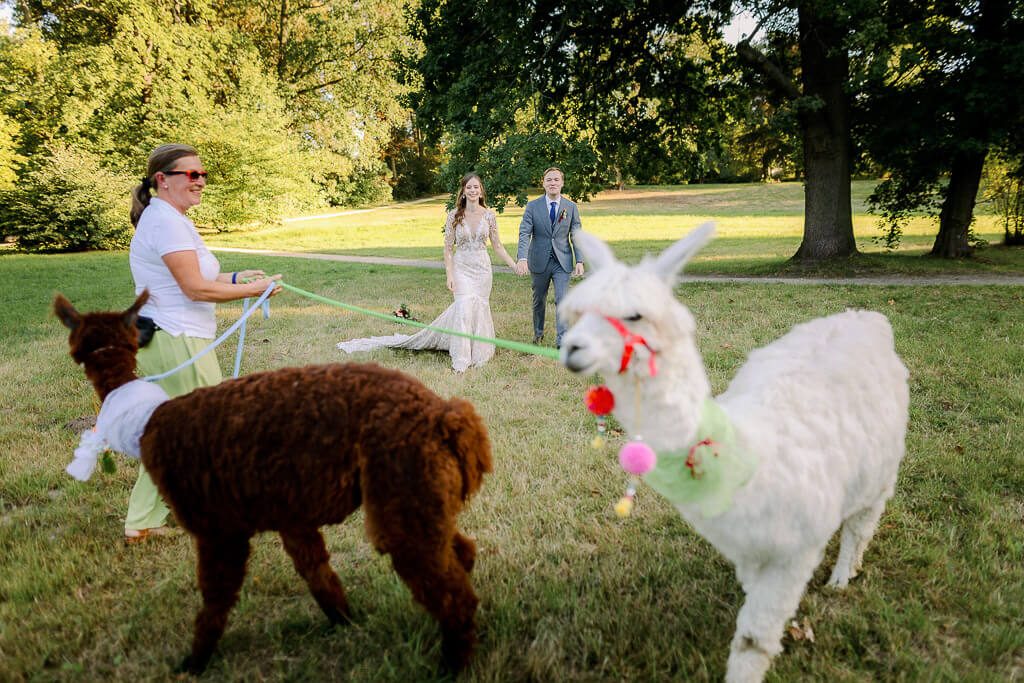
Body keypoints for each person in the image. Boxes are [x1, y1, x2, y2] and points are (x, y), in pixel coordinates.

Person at [125, 143, 281, 544]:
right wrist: (256, 290)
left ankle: (145, 520)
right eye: (191, 175)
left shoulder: (172, 218)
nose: (200, 181)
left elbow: (199, 274)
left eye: (203, 174)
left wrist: (235, 279)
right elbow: (193, 288)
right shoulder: (165, 222)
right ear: (162, 179)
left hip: (173, 336)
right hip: (176, 337)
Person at [337, 172, 518, 372]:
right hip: (462, 269)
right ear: (464, 192)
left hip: (483, 270)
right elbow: (448, 249)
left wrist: (514, 265)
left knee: (479, 309)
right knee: (464, 309)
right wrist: (449, 275)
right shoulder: (454, 215)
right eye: (469, 187)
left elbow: (498, 246)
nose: (473, 190)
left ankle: (479, 352)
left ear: (481, 190)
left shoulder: (490, 215)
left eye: (476, 187)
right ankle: (462, 358)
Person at [514, 167, 585, 348]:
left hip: (562, 262)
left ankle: (562, 340)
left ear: (562, 183)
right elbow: (524, 233)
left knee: (562, 299)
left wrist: (579, 260)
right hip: (538, 260)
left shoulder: (571, 207)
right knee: (539, 300)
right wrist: (522, 258)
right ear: (543, 183)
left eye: (556, 180)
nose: (552, 183)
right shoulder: (532, 206)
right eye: (549, 180)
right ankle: (538, 334)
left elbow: (576, 235)